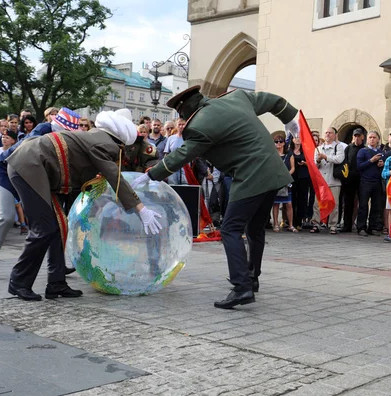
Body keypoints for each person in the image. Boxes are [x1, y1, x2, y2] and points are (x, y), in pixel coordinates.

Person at [131, 85, 299, 309]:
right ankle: (252, 277)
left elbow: (183, 154)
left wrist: (153, 174)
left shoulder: (200, 125)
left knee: (230, 229)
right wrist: (288, 117)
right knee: (255, 229)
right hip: (274, 173)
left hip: (250, 176)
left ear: (185, 112)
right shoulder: (237, 98)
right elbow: (270, 99)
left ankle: (242, 288)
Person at [4, 109, 161, 301]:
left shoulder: (98, 137)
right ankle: (19, 282)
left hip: (38, 168)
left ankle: (56, 283)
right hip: (30, 166)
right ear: (121, 140)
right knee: (44, 229)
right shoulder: (106, 144)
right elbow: (115, 177)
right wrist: (141, 209)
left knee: (59, 228)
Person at [0, 112, 76, 281]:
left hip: (29, 179)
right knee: (6, 217)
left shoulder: (57, 137)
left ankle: (57, 267)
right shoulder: (40, 133)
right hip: (5, 175)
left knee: (50, 222)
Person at [309, 127, 347, 234]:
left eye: (330, 133)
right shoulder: (319, 148)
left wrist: (326, 157)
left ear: (335, 135)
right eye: (326, 133)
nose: (328, 135)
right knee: (317, 204)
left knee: (334, 204)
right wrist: (318, 159)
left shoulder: (339, 147)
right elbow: (315, 165)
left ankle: (333, 225)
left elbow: (339, 159)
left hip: (334, 180)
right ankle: (316, 223)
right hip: (321, 180)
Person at [356, 131, 385, 236]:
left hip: (377, 182)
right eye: (370, 137)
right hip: (365, 182)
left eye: (374, 137)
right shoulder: (362, 151)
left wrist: (382, 164)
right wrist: (371, 160)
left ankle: (372, 227)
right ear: (367, 139)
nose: (372, 139)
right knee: (363, 205)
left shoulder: (381, 152)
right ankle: (361, 227)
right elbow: (359, 166)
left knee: (376, 206)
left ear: (378, 139)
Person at [342, 128, 365, 232]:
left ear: (362, 137)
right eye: (355, 136)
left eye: (358, 136)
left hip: (362, 179)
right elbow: (345, 161)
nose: (356, 138)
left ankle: (361, 226)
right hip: (349, 179)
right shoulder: (348, 148)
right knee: (348, 203)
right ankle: (347, 225)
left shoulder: (365, 149)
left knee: (362, 203)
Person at [272, 133, 296, 232]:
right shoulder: (272, 154)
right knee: (276, 204)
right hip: (276, 181)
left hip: (286, 182)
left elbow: (293, 167)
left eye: (280, 141)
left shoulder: (289, 154)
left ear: (283, 143)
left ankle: (290, 225)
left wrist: (286, 176)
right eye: (276, 141)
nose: (278, 143)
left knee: (289, 204)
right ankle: (276, 224)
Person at [290, 134, 310, 230]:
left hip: (303, 177)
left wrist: (305, 164)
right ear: (292, 140)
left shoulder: (306, 151)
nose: (298, 139)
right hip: (292, 178)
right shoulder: (289, 152)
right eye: (295, 137)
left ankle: (299, 222)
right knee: (292, 200)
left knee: (302, 200)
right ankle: (291, 221)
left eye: (299, 137)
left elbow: (311, 163)